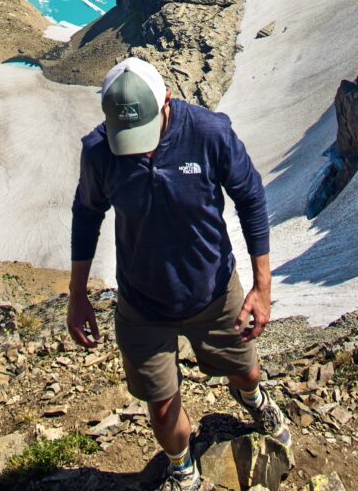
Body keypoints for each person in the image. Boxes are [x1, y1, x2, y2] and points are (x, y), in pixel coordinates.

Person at [67, 57, 291, 491]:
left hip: (213, 289)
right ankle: (181, 467)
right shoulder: (100, 151)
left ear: (167, 101)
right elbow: (86, 214)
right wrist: (78, 295)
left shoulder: (210, 133)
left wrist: (262, 288)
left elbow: (250, 197)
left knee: (245, 370)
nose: (140, 148)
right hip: (142, 302)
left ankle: (252, 397)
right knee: (161, 403)